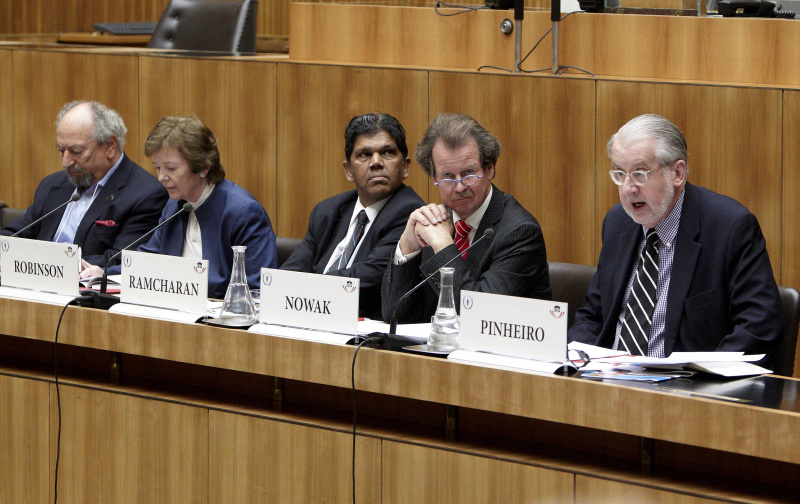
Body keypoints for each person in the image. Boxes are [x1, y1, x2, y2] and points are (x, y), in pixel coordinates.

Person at [569, 114, 783, 367]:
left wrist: (702, 380)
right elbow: (593, 315)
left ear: (677, 173)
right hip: (608, 382)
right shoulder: (618, 222)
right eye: (619, 173)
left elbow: (759, 326)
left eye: (639, 173)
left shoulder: (729, 227)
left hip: (688, 389)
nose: (628, 188)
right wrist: (579, 361)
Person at [381, 113, 551, 323]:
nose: (459, 187)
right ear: (433, 177)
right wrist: (407, 246)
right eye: (448, 176)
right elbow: (395, 317)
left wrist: (444, 246)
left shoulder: (520, 230)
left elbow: (480, 317)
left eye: (469, 173)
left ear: (489, 169)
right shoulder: (434, 223)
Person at [82, 115, 277, 299]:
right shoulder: (174, 205)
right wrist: (104, 272)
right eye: (158, 167)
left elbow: (257, 291)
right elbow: (150, 258)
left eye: (171, 168)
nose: (161, 177)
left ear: (203, 167)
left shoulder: (242, 212)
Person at [281, 112, 425, 319]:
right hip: (313, 318)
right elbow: (289, 274)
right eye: (364, 154)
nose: (376, 162)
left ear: (405, 167)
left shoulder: (410, 214)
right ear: (348, 170)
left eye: (387, 153)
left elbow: (370, 278)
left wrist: (306, 292)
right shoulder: (327, 211)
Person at [0, 101, 168, 268]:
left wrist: (54, 265)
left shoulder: (146, 194)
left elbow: (121, 260)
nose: (66, 162)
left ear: (110, 145)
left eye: (77, 151)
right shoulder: (53, 184)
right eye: (61, 150)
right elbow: (16, 234)